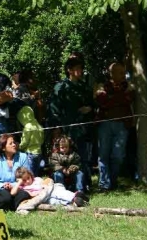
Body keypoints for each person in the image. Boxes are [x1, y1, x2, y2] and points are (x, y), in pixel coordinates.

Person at [48, 57, 94, 191]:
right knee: (66, 158)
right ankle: (63, 186)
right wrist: (56, 127)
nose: (80, 71)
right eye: (77, 68)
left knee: (84, 157)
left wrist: (89, 108)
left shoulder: (84, 86)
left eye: (81, 69)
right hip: (67, 129)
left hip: (83, 128)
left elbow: (92, 103)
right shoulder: (61, 87)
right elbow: (54, 108)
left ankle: (84, 185)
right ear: (69, 70)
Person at [95, 62, 135, 191]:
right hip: (105, 123)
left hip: (122, 124)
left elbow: (128, 99)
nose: (124, 75)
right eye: (121, 72)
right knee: (104, 154)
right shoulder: (103, 86)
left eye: (124, 72)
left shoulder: (128, 86)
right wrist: (120, 97)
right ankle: (104, 185)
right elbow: (102, 102)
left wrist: (111, 98)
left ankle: (112, 181)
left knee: (118, 156)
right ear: (111, 74)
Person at [11, 167, 89, 209]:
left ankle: (75, 196)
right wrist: (19, 182)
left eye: (28, 178)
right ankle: (74, 202)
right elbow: (13, 193)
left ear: (30, 175)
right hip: (43, 198)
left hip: (50, 191)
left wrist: (45, 187)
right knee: (54, 201)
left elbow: (47, 184)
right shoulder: (23, 187)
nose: (27, 181)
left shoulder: (37, 179)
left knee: (58, 193)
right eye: (24, 180)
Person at [0, 134, 31, 210]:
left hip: (18, 186)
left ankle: (7, 207)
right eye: (10, 143)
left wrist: (12, 185)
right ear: (3, 148)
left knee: (24, 195)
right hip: (1, 188)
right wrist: (3, 185)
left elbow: (27, 177)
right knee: (6, 197)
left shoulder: (22, 157)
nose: (14, 145)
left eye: (14, 142)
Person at [17, 106, 44, 176]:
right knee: (36, 173)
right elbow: (42, 140)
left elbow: (25, 142)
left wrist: (19, 147)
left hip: (30, 153)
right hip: (39, 152)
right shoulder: (39, 125)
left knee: (29, 173)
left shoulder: (28, 126)